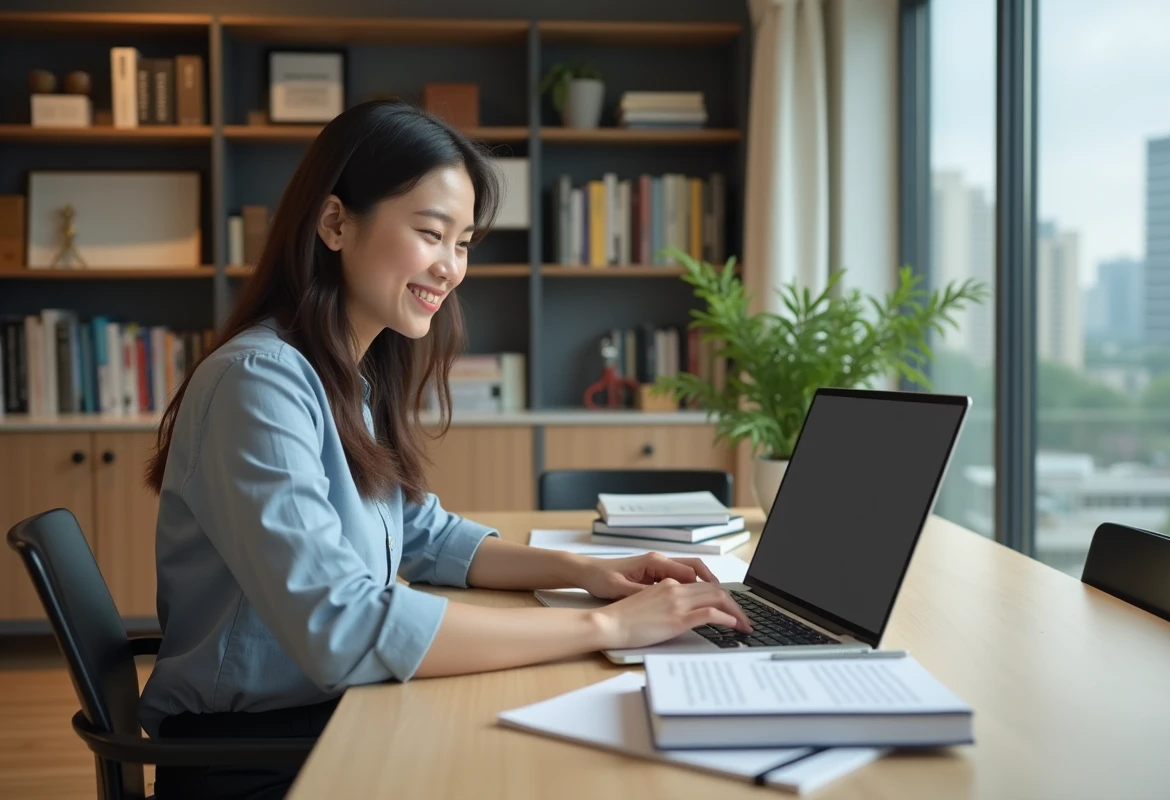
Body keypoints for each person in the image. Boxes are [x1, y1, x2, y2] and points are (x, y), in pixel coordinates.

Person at [138, 100, 751, 800]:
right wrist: (605, 626)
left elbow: (420, 534)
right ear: (335, 223)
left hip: (328, 718)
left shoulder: (346, 376)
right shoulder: (258, 383)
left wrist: (590, 572)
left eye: (463, 244)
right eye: (432, 233)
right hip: (261, 759)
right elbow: (339, 627)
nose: (450, 268)